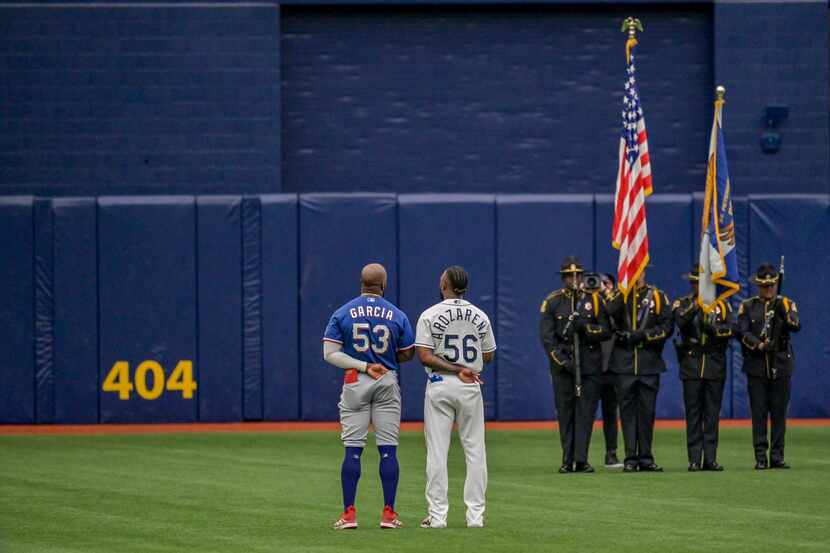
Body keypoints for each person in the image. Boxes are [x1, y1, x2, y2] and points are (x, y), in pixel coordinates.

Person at [323, 263, 416, 530]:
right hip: (385, 378)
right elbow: (408, 352)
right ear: (384, 285)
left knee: (353, 450)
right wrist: (385, 360)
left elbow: (330, 354)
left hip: (356, 380)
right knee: (388, 450)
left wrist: (363, 365)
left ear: (361, 283)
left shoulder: (343, 312)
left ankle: (349, 514)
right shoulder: (396, 314)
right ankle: (389, 514)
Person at [415, 266, 496, 529]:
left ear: (444, 284)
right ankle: (475, 517)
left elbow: (425, 356)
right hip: (470, 385)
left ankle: (438, 517)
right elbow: (488, 355)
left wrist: (453, 367)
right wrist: (465, 365)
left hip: (440, 383)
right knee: (475, 451)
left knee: (437, 452)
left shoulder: (429, 314)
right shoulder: (480, 315)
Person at [539, 258, 611, 473]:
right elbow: (547, 337)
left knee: (586, 414)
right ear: (563, 278)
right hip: (564, 368)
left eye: (577, 275)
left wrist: (587, 328)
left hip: (588, 366)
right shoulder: (553, 302)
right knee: (566, 413)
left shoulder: (594, 301)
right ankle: (566, 459)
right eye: (570, 275)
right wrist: (563, 361)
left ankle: (582, 459)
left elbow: (606, 331)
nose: (574, 279)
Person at [605, 268, 672, 472]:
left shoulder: (658, 297)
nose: (637, 274)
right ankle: (630, 458)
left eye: (640, 270)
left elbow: (666, 328)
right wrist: (622, 292)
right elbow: (607, 312)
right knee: (626, 412)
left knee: (646, 412)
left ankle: (646, 457)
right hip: (624, 363)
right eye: (633, 270)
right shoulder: (619, 296)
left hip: (648, 363)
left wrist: (643, 335)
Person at [736, 263, 801, 470]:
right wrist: (758, 344)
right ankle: (760, 457)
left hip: (780, 363)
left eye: (772, 285)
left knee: (779, 412)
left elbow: (796, 326)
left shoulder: (786, 303)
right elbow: (742, 332)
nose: (768, 289)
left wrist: (785, 314)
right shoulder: (747, 305)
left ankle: (777, 455)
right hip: (757, 364)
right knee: (759, 412)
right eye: (764, 286)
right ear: (758, 286)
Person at [672, 265, 733, 471]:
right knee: (693, 413)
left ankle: (710, 458)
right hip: (692, 363)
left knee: (712, 414)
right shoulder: (684, 303)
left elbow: (730, 331)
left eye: (699, 282)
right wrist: (698, 305)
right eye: (693, 282)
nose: (696, 285)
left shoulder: (722, 305)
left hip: (714, 364)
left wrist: (714, 330)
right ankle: (694, 458)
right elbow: (680, 322)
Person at [599, 273, 622, 468]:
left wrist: (607, 294)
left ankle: (611, 453)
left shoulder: (617, 304)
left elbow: (617, 317)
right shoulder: (587, 303)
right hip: (591, 368)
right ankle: (578, 457)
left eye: (605, 283)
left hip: (612, 367)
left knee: (610, 413)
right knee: (583, 415)